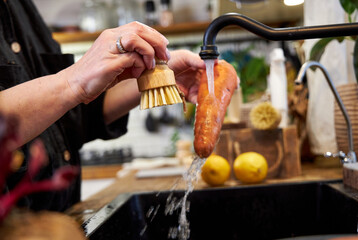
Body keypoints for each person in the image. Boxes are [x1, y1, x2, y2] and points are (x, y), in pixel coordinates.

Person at [0, 0, 205, 211]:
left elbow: (77, 113)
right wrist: (73, 81)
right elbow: (72, 88)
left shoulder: (22, 7)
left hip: (64, 222)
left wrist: (161, 75)